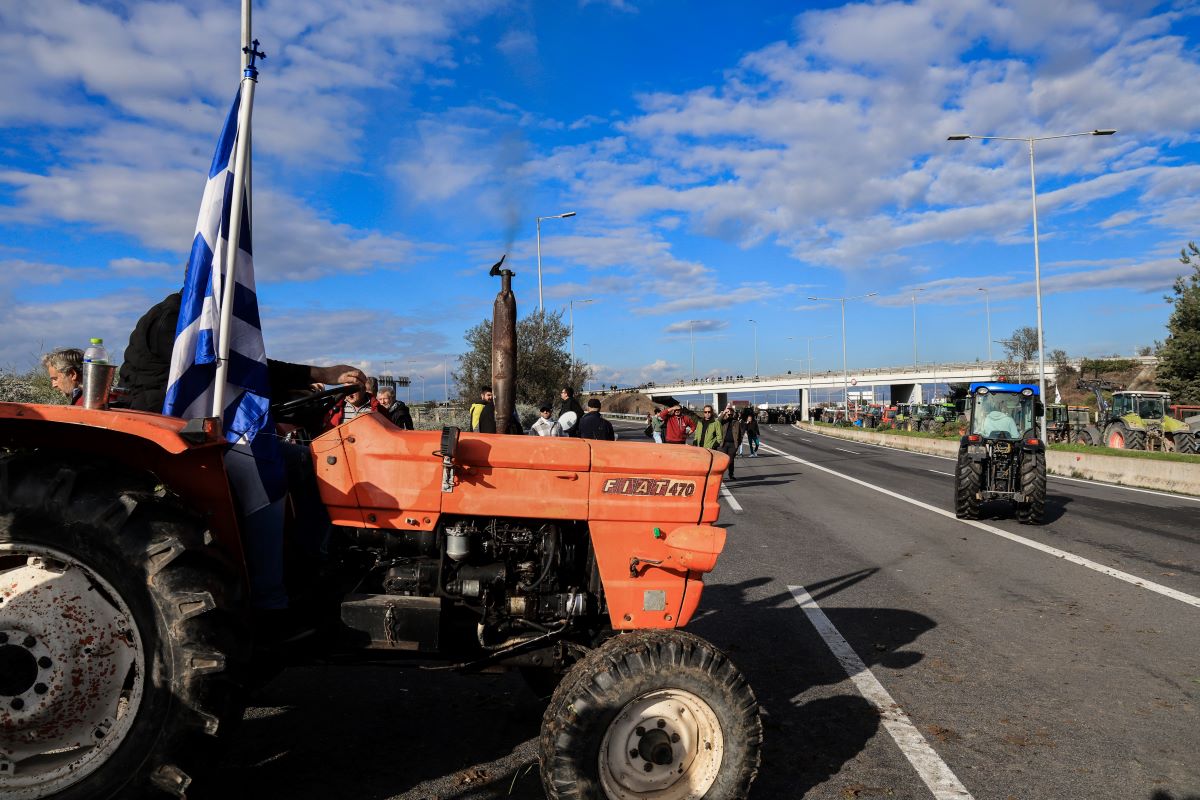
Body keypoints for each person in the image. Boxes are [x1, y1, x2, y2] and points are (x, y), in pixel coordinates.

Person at [719, 406, 743, 480]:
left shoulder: (736, 422)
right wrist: (724, 413)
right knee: (722, 460)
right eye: (728, 414)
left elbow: (740, 434)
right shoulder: (723, 421)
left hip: (733, 445)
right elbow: (718, 421)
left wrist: (737, 445)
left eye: (731, 414)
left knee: (731, 460)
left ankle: (731, 474)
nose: (730, 416)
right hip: (723, 444)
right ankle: (720, 475)